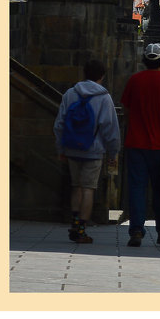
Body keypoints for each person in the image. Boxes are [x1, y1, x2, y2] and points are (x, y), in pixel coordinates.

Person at [120, 43, 160, 248]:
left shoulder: (134, 80)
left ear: (144, 60)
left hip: (135, 143)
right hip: (159, 146)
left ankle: (137, 230)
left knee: (137, 188)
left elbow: (126, 109)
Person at [53, 59, 121, 244]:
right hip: (94, 150)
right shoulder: (104, 97)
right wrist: (113, 152)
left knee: (76, 187)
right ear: (102, 76)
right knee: (89, 188)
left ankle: (75, 222)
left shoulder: (70, 94)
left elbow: (59, 124)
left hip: (72, 148)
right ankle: (81, 229)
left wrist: (61, 148)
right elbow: (110, 128)